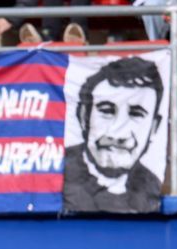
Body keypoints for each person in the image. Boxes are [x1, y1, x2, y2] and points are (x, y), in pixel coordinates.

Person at [63, 57, 164, 213]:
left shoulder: (150, 184)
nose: (119, 133)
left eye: (136, 114)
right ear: (83, 116)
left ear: (154, 128)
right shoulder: (56, 171)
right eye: (106, 111)